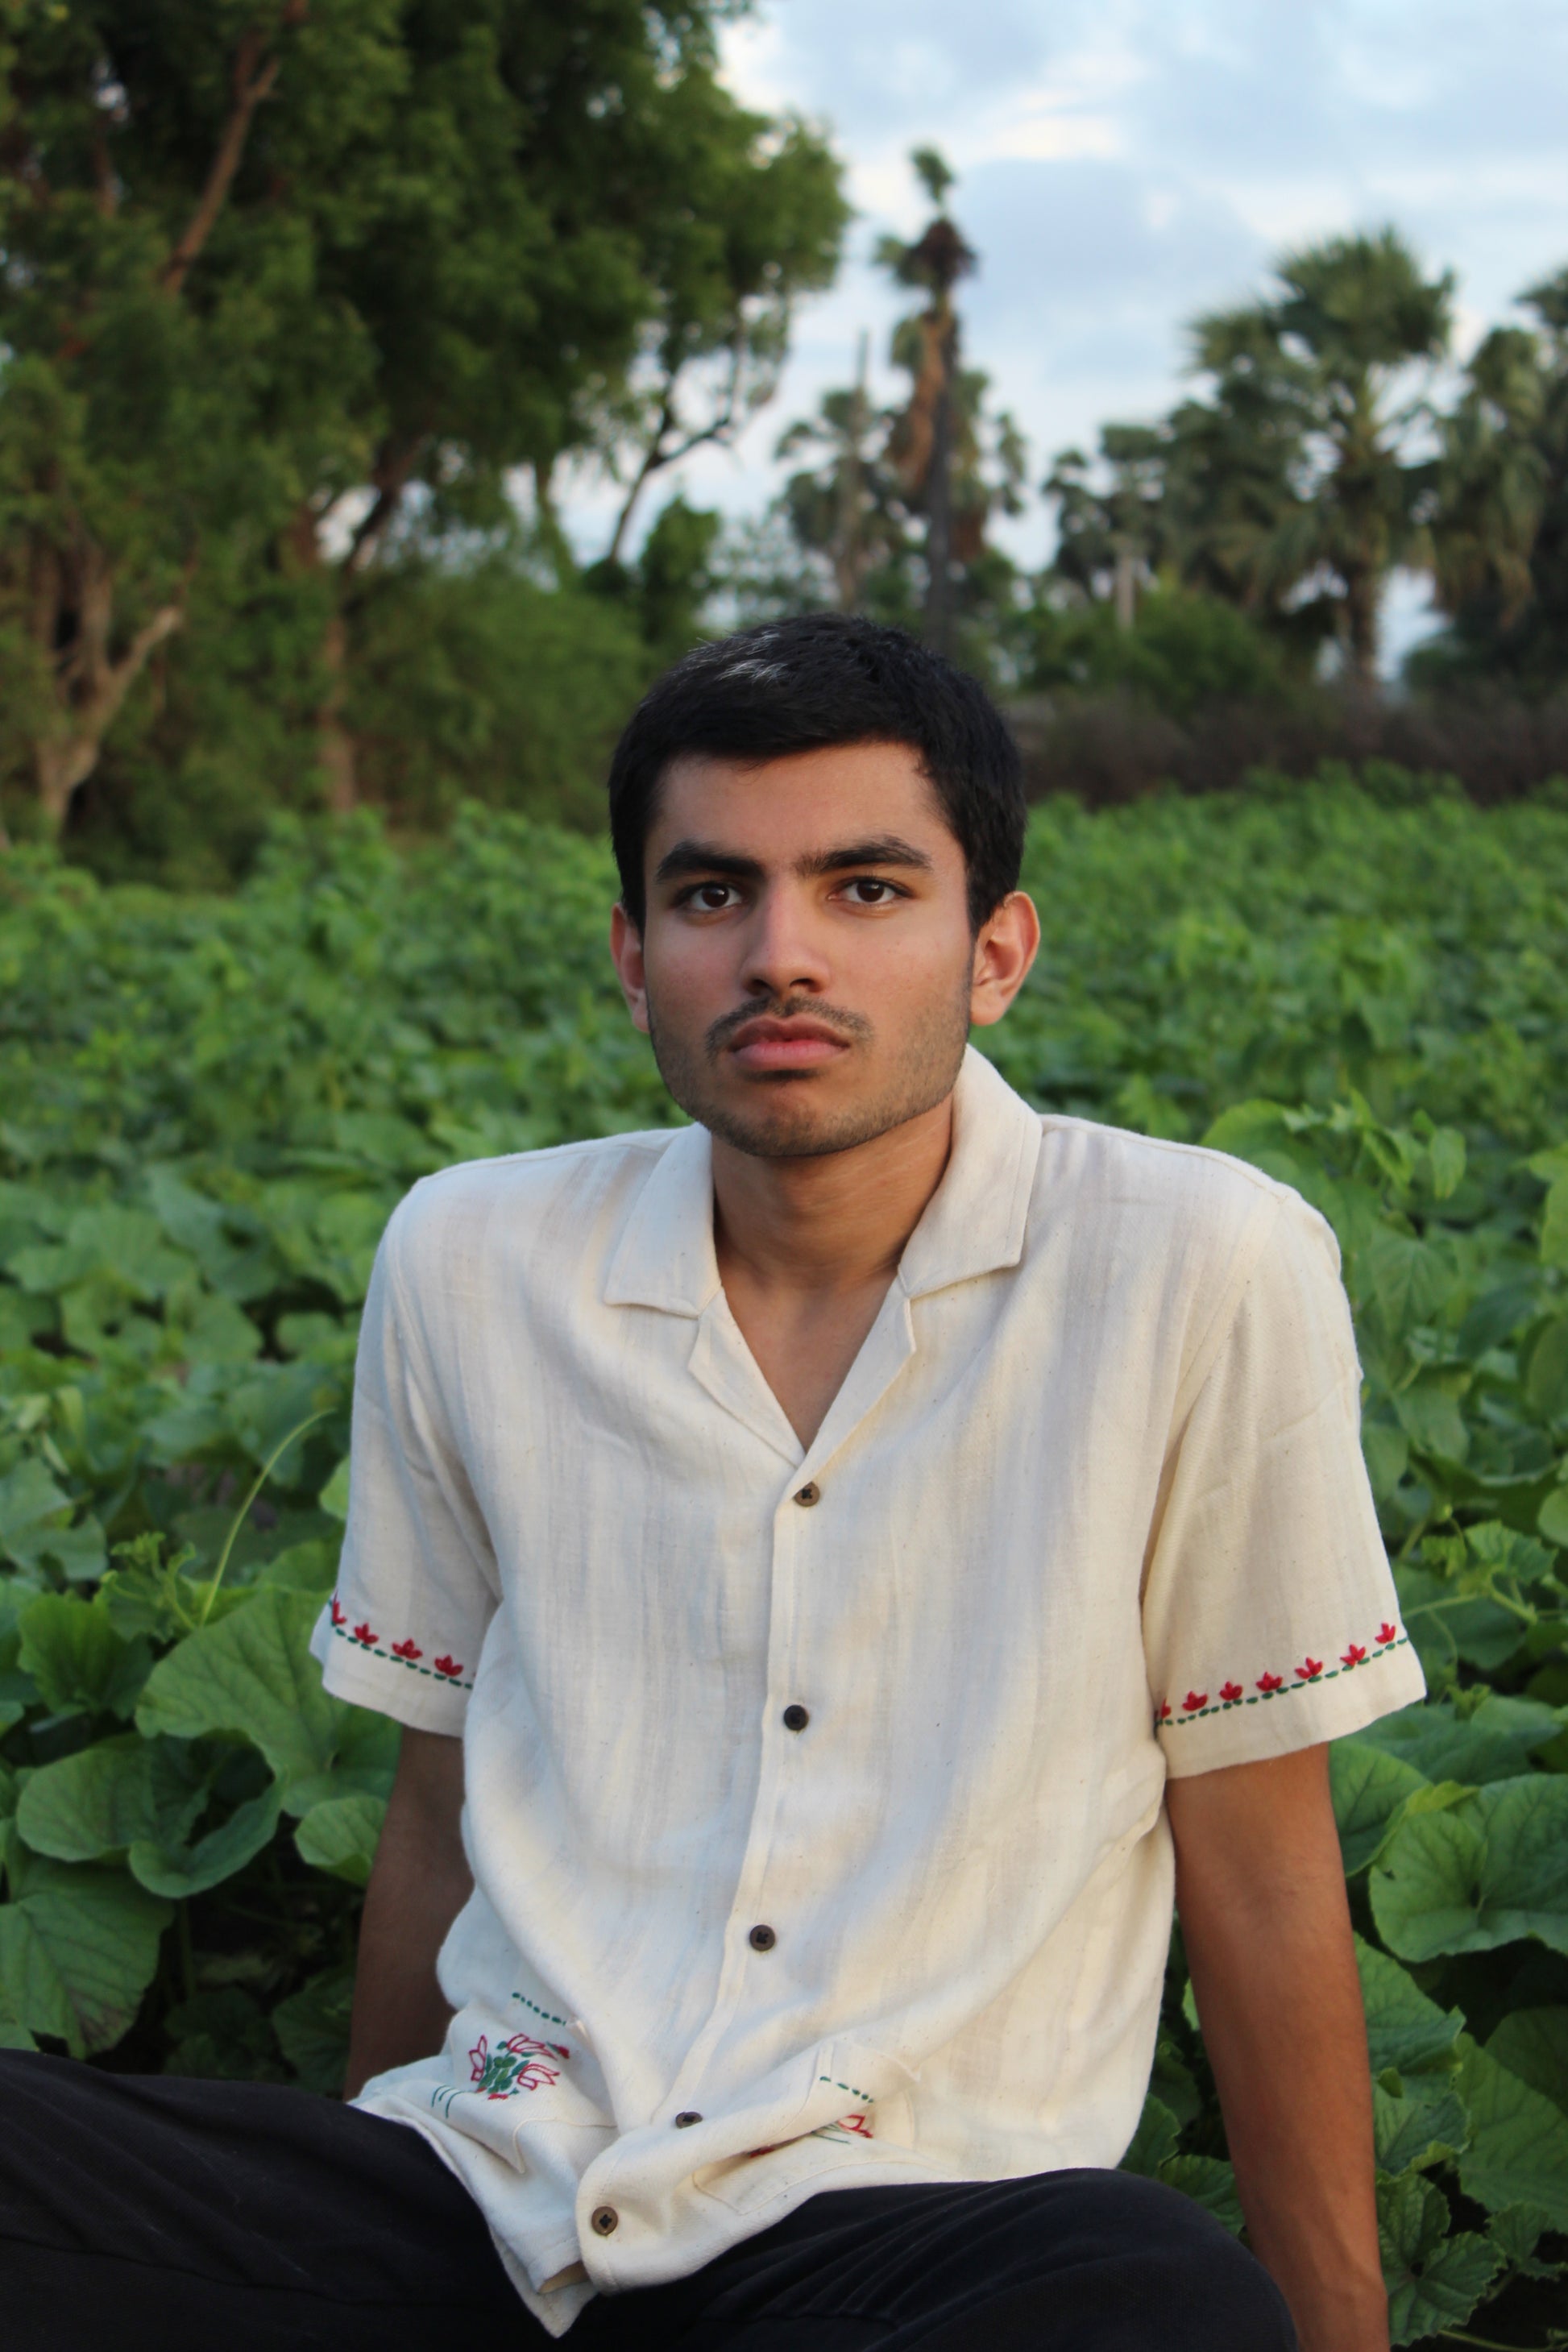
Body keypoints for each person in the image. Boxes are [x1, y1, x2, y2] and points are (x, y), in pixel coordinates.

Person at [2, 616, 1421, 2352]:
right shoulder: (472, 1256)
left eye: (866, 887)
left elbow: (1262, 1866)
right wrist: (337, 2253)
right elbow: (435, 1808)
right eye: (710, 893)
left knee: (1157, 2299)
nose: (781, 953)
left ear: (996, 948)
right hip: (487, 2189)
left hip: (902, 2237)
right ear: (631, 948)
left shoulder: (1200, 1266)